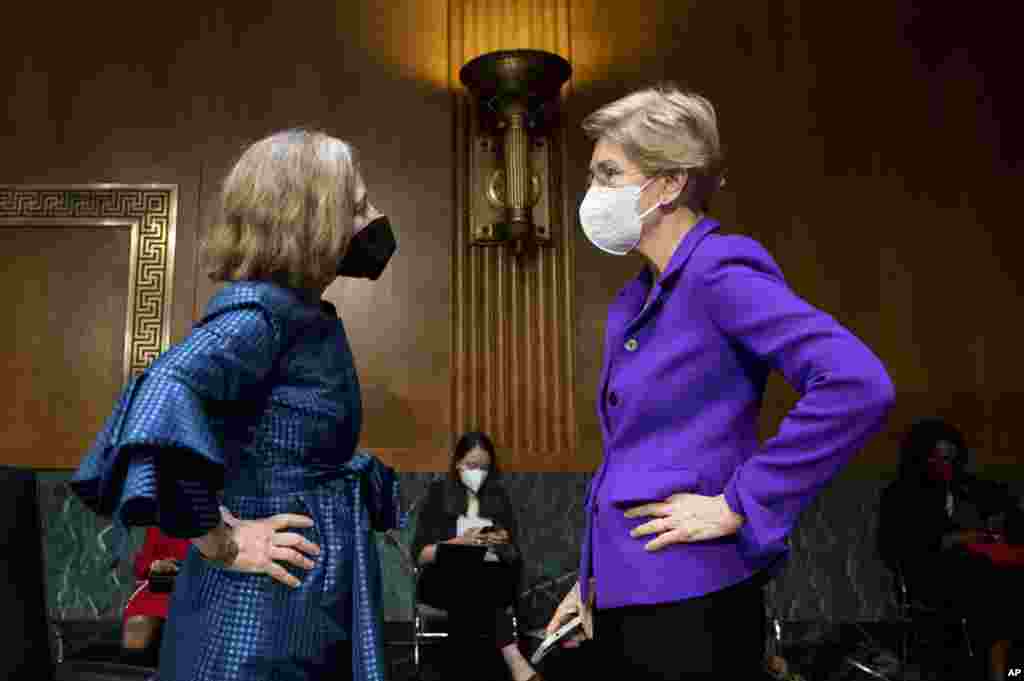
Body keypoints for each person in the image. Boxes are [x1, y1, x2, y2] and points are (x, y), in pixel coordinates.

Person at [543, 84, 896, 679]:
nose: (592, 194)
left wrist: (742, 501)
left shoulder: (719, 269)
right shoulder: (639, 293)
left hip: (695, 601)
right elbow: (636, 457)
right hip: (633, 594)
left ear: (670, 183)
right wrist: (594, 579)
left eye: (608, 174)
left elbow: (856, 383)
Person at [70, 129, 402, 681]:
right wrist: (219, 539)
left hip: (297, 597)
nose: (373, 219)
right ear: (310, 218)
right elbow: (161, 391)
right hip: (259, 614)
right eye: (359, 206)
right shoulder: (261, 314)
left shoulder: (300, 313)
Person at [879, 417, 1024, 681]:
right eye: (937, 458)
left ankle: (1004, 665)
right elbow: (902, 548)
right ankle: (998, 667)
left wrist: (997, 524)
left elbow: (1010, 519)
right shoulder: (901, 494)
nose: (945, 466)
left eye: (951, 458)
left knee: (1000, 583)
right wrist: (961, 538)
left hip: (988, 571)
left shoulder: (973, 488)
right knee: (985, 579)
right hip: (930, 577)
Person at [411, 431, 542, 681]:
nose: (477, 473)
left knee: (485, 575)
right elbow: (420, 554)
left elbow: (514, 556)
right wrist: (461, 542)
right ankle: (511, 653)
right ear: (458, 463)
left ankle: (466, 668)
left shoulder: (498, 498)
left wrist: (502, 543)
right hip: (442, 582)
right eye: (472, 465)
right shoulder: (438, 494)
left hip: (490, 582)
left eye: (484, 468)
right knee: (471, 574)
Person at [120, 527, 191, 666]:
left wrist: (183, 566)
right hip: (158, 586)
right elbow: (141, 566)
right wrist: (155, 565)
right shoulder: (160, 521)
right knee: (136, 629)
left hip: (198, 587)